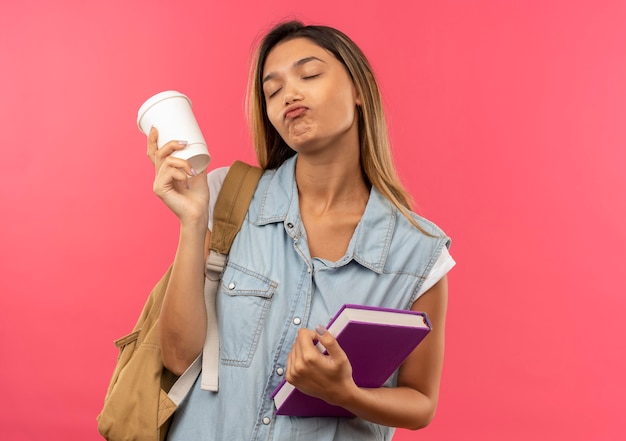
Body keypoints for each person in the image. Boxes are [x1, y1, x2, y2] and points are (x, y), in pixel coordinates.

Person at [147, 20, 454, 441]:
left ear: (360, 90)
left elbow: (420, 402)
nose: (289, 94)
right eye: (272, 91)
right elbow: (179, 358)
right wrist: (192, 221)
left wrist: (345, 393)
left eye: (309, 75)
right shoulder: (227, 199)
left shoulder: (418, 252)